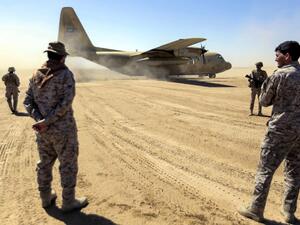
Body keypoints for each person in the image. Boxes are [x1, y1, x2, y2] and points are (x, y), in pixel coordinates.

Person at [238, 41, 300, 224]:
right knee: (294, 172)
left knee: (265, 169)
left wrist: (264, 85)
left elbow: (264, 101)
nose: (275, 58)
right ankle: (289, 213)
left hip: (280, 130)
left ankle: (255, 209)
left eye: (277, 55)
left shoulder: (280, 75)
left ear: (287, 55)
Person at [23, 41, 88, 212]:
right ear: (63, 57)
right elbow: (65, 103)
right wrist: (48, 121)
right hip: (63, 130)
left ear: (48, 55)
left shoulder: (36, 74)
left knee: (44, 163)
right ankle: (69, 202)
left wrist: (40, 120)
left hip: (43, 132)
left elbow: (27, 101)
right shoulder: (65, 74)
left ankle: (45, 197)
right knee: (68, 164)